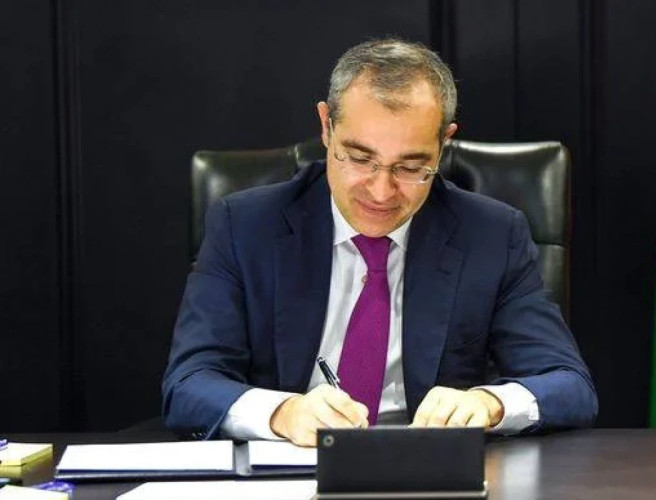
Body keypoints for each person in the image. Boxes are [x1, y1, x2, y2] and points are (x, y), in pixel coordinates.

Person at [162, 38, 597, 446]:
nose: (381, 191)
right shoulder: (244, 226)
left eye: (410, 167)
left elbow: (569, 384)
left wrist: (489, 403)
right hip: (293, 466)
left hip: (430, 474)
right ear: (326, 127)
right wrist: (283, 413)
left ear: (444, 143)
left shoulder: (492, 235)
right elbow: (189, 384)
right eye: (359, 158)